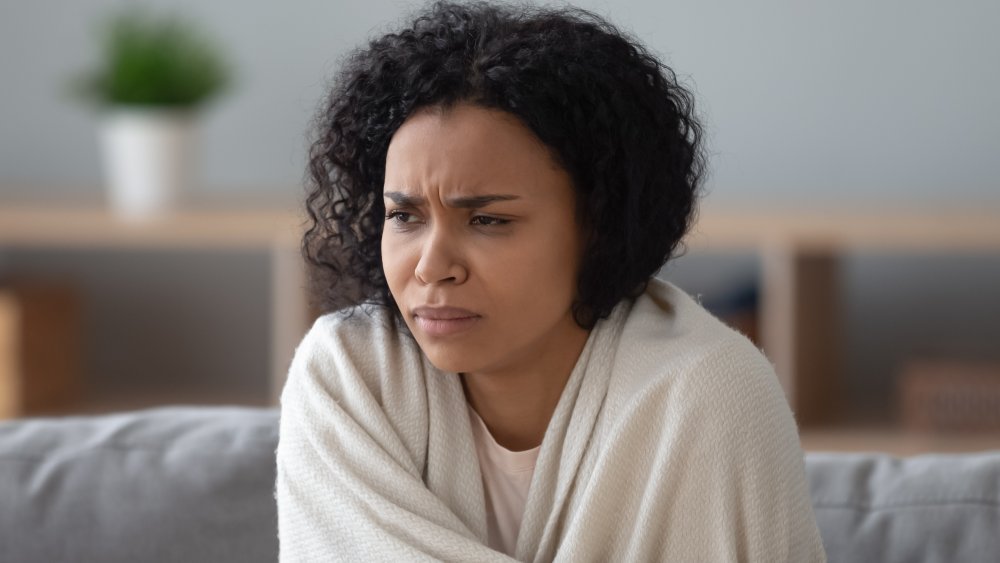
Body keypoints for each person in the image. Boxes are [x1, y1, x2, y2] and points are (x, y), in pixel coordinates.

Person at [276, 1, 826, 561]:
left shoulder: (710, 394)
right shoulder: (349, 374)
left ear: (597, 226)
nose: (431, 265)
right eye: (405, 217)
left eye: (488, 220)